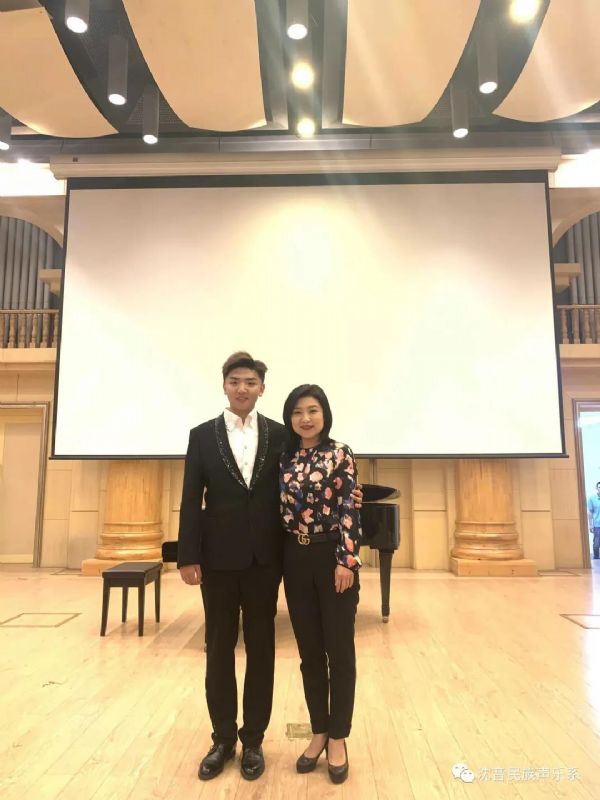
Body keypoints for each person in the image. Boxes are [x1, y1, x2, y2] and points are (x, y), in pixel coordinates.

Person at [178, 353, 363, 782]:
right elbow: (190, 498)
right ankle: (223, 738)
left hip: (267, 562)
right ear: (224, 385)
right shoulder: (201, 436)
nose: (242, 388)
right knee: (218, 650)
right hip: (218, 562)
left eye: (251, 382)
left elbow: (329, 486)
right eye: (235, 381)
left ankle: (253, 741)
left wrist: (356, 498)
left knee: (262, 651)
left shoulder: (282, 436)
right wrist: (188, 555)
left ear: (262, 388)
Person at [280, 384, 361, 785]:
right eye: (297, 412)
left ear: (324, 414)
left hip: (333, 558)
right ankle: (318, 731)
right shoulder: (283, 457)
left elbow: (348, 506)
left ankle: (339, 737)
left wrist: (346, 560)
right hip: (295, 560)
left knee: (339, 652)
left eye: (312, 410)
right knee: (309, 653)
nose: (305, 418)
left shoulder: (340, 453)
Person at [587, 481, 600, 560]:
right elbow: (590, 512)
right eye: (599, 487)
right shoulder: (592, 499)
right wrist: (590, 525)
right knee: (596, 543)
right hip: (597, 524)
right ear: (596, 488)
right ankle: (596, 557)